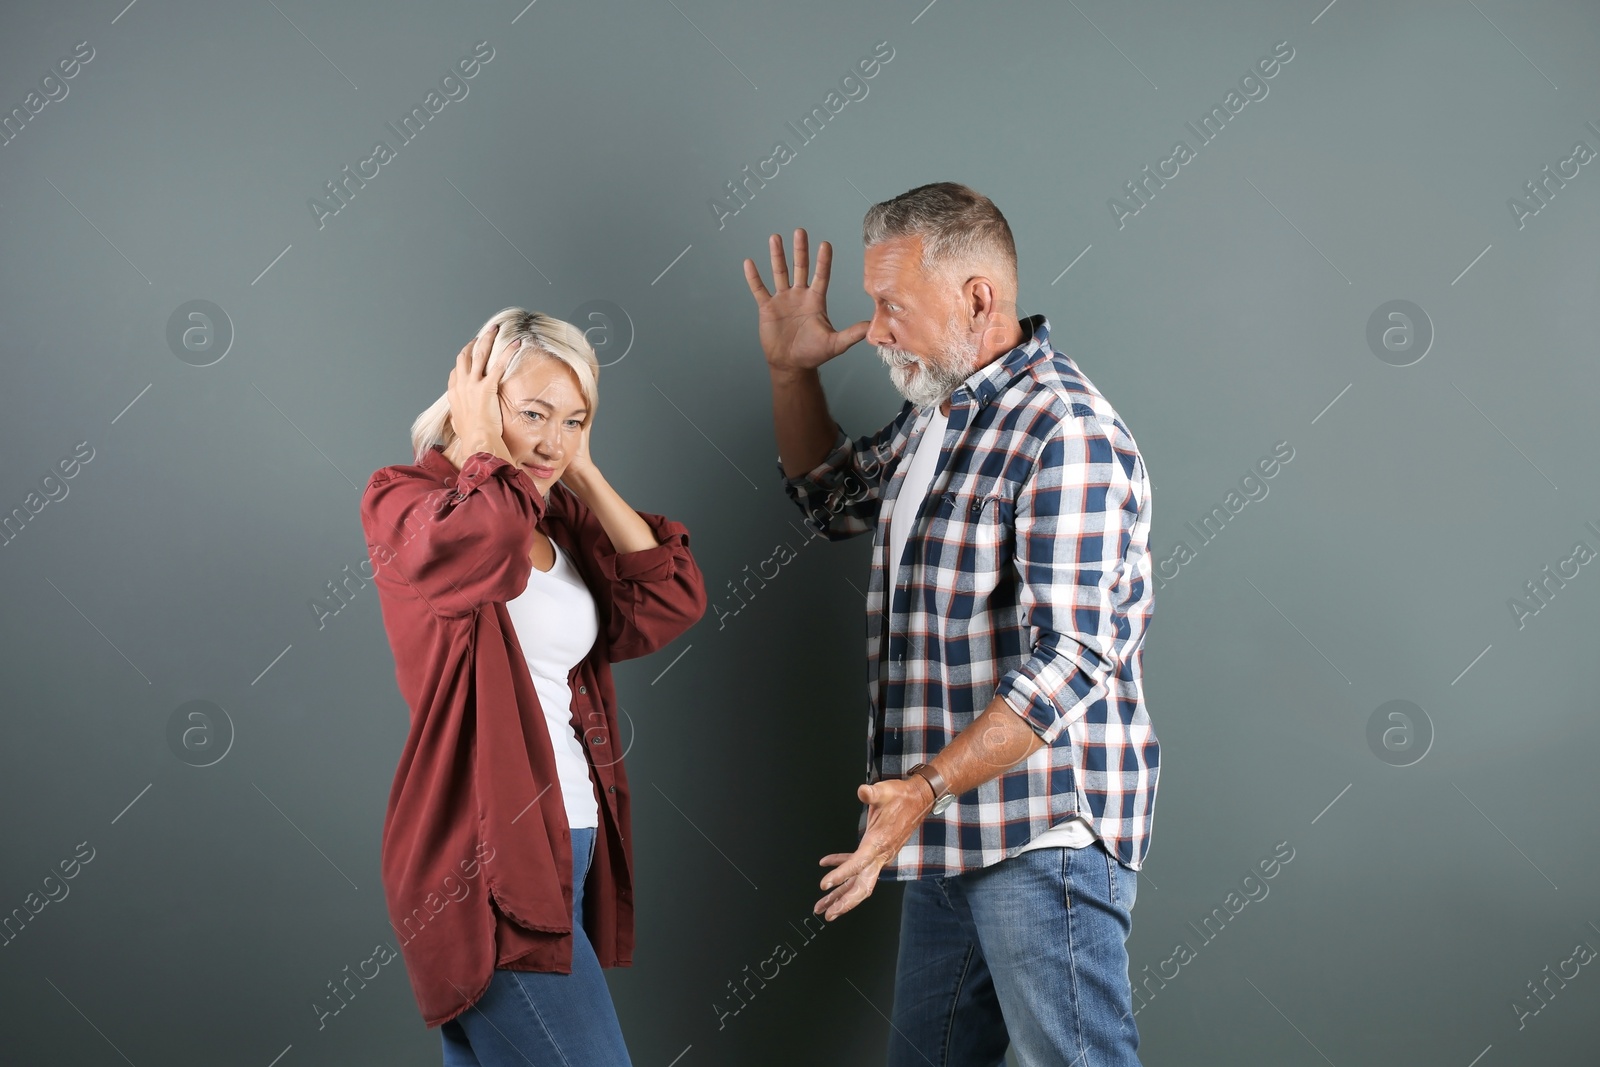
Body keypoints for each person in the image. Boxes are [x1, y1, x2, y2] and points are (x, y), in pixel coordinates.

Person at [743, 182, 1159, 1066]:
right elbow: (835, 496)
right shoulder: (944, 407)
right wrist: (791, 371)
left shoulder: (1064, 432)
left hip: (1042, 833)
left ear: (979, 297)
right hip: (947, 824)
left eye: (892, 304)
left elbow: (1074, 655)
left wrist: (925, 786)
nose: (878, 328)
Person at [358, 309, 706, 1065]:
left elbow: (669, 596)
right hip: (486, 852)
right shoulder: (408, 502)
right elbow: (474, 545)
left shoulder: (556, 518)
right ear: (478, 400)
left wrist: (579, 467)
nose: (552, 438)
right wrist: (482, 445)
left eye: (575, 418)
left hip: (573, 841)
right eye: (534, 413)